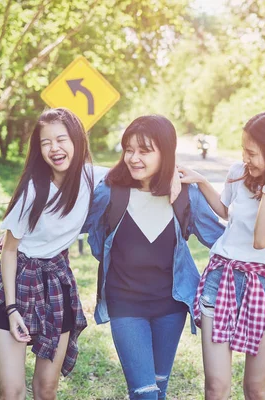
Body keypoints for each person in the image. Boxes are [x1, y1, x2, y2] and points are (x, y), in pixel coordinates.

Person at [178, 111, 265, 400]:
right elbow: (227, 211)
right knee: (216, 387)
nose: (246, 159)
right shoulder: (237, 173)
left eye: (253, 153)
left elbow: (262, 238)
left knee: (255, 390)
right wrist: (202, 181)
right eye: (244, 151)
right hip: (222, 280)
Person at [82, 114, 225, 400]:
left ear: (166, 153)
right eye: (129, 150)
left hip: (170, 306)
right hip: (125, 304)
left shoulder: (186, 195)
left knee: (159, 390)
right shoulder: (110, 191)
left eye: (144, 151)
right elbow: (73, 223)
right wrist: (18, 236)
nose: (133, 158)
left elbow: (222, 242)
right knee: (144, 394)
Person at [0, 108, 104, 400]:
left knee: (47, 389)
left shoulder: (91, 179)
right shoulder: (32, 190)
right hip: (18, 280)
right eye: (46, 142)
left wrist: (180, 177)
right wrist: (11, 308)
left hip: (57, 282)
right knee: (11, 391)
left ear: (77, 141)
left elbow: (135, 172)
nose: (54, 148)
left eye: (62, 139)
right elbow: (9, 251)